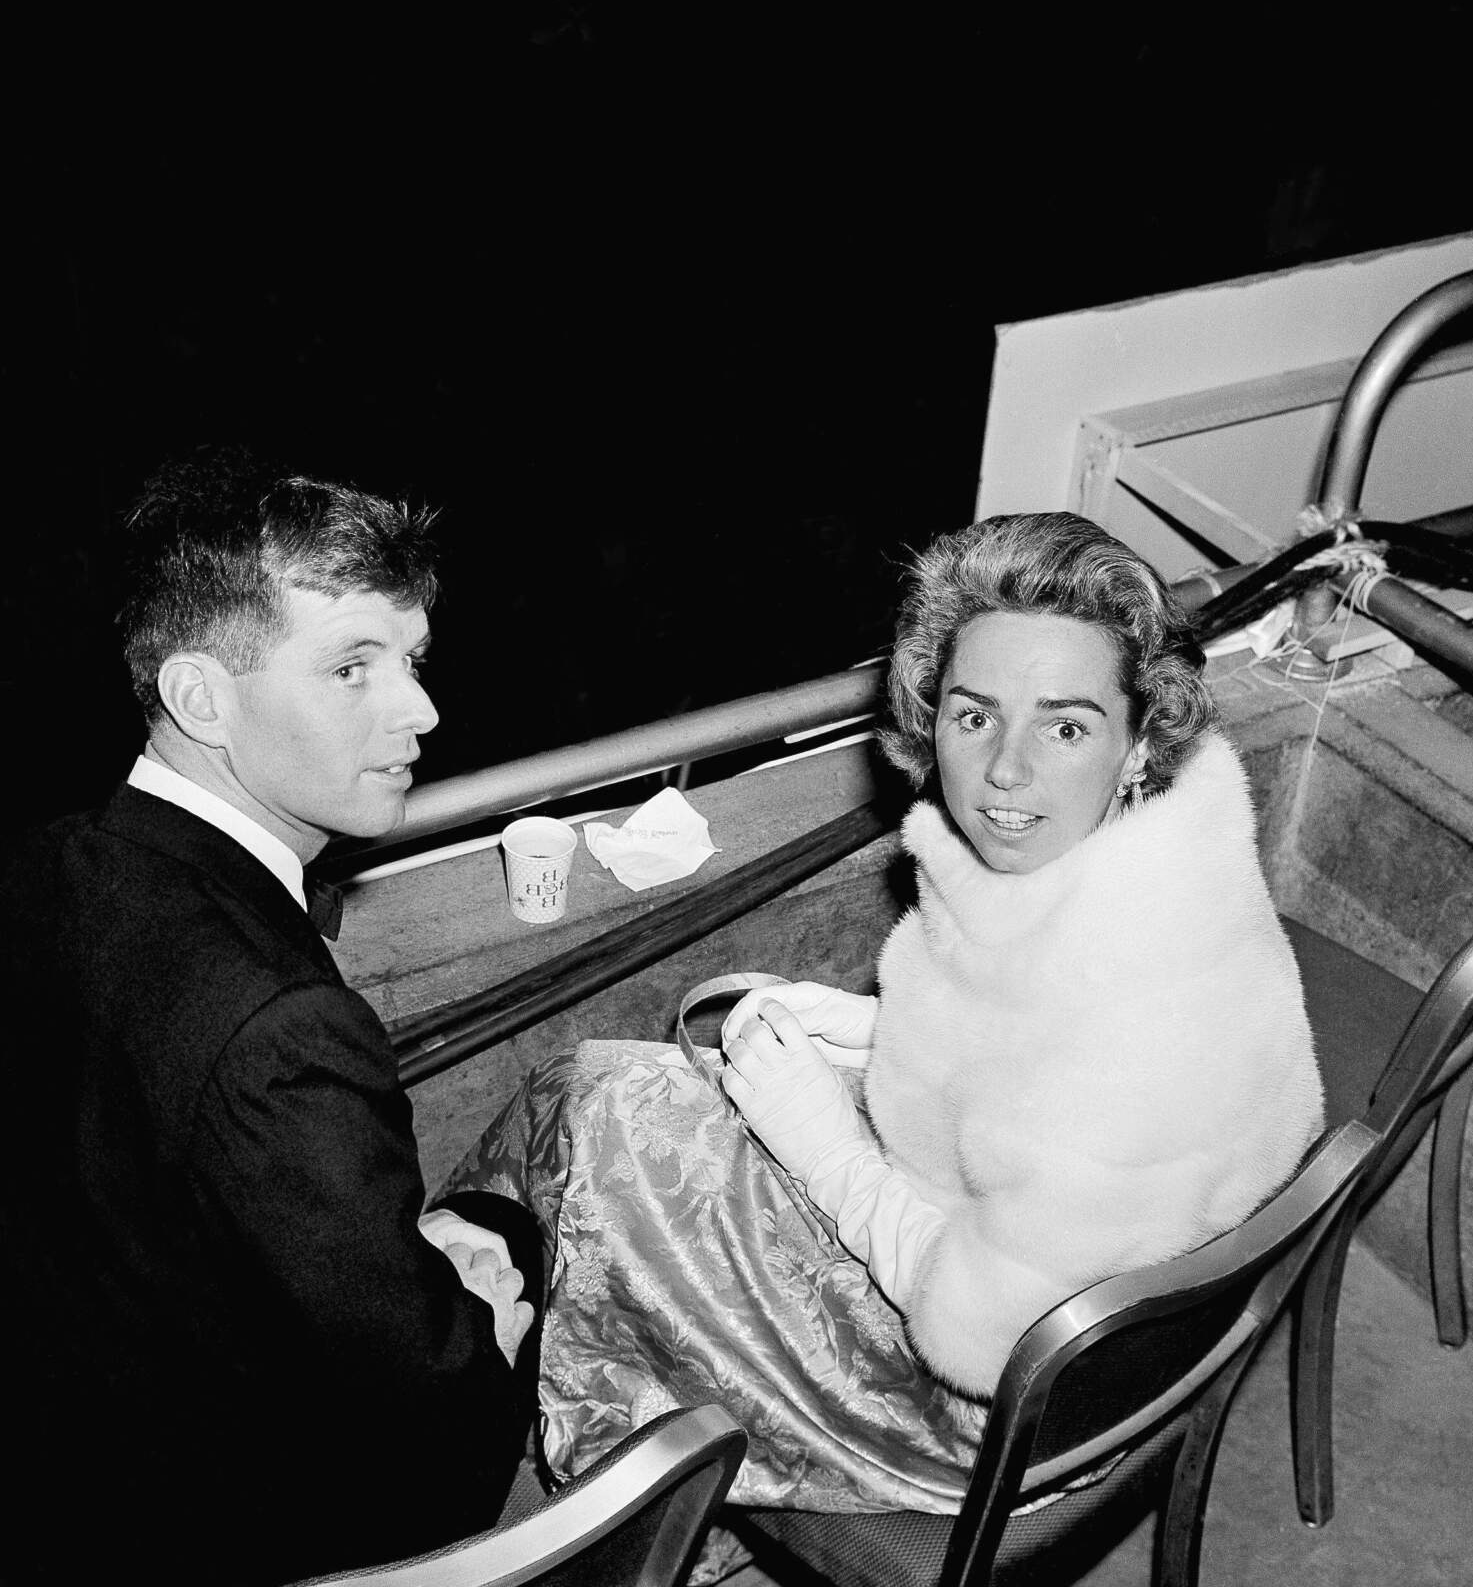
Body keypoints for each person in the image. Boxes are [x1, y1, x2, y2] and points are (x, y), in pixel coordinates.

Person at [444, 510, 1324, 1512]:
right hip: (1117, 1330)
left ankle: (523, 1438)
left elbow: (987, 1326)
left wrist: (815, 1127)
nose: (1005, 770)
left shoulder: (1127, 1036)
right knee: (622, 1107)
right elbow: (1031, 1056)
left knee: (594, 1118)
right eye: (975, 714)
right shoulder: (1170, 851)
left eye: (1066, 725)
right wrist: (872, 1031)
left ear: (1136, 738)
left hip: (999, 1421)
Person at [0, 446, 540, 1587]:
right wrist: (479, 1311)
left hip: (4, 1496)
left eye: (413, 658)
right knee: (535, 1232)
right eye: (352, 667)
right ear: (200, 696)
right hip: (209, 1546)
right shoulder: (282, 1029)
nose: (424, 709)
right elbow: (434, 1445)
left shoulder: (24, 876)